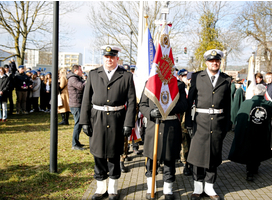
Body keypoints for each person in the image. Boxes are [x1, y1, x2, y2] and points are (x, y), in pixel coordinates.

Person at [79, 45, 136, 200]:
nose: (109, 60)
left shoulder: (126, 76)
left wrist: (128, 124)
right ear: (102, 58)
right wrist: (84, 121)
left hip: (117, 119)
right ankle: (100, 188)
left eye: (112, 57)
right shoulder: (93, 74)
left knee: (114, 154)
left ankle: (112, 189)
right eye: (106, 57)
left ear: (117, 58)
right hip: (97, 118)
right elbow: (86, 99)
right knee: (98, 153)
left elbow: (131, 102)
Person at [185, 49, 231, 200]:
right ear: (206, 62)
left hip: (218, 123)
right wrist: (189, 122)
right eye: (211, 61)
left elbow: (228, 105)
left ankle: (210, 188)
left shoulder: (226, 79)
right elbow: (189, 101)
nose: (214, 63)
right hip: (200, 122)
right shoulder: (198, 77)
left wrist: (227, 124)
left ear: (220, 62)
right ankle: (198, 188)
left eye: (217, 60)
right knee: (198, 157)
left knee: (213, 155)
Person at [139, 78, 188, 200]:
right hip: (153, 126)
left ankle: (168, 189)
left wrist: (167, 108)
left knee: (169, 160)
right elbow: (142, 105)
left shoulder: (179, 85)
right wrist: (150, 112)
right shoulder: (150, 83)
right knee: (151, 159)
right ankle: (151, 188)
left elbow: (184, 105)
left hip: (171, 126)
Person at [228, 84, 272, 181]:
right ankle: (254, 168)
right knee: (258, 149)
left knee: (250, 150)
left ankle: (250, 171)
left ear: (254, 92)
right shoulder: (268, 104)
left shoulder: (246, 103)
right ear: (264, 93)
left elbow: (240, 117)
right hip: (261, 131)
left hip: (249, 131)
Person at [67, 65, 86, 151]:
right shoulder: (73, 79)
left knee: (79, 124)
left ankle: (76, 142)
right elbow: (81, 87)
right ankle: (74, 144)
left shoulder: (76, 78)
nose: (82, 72)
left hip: (78, 103)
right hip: (76, 105)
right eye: (81, 70)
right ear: (76, 71)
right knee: (78, 124)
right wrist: (88, 81)